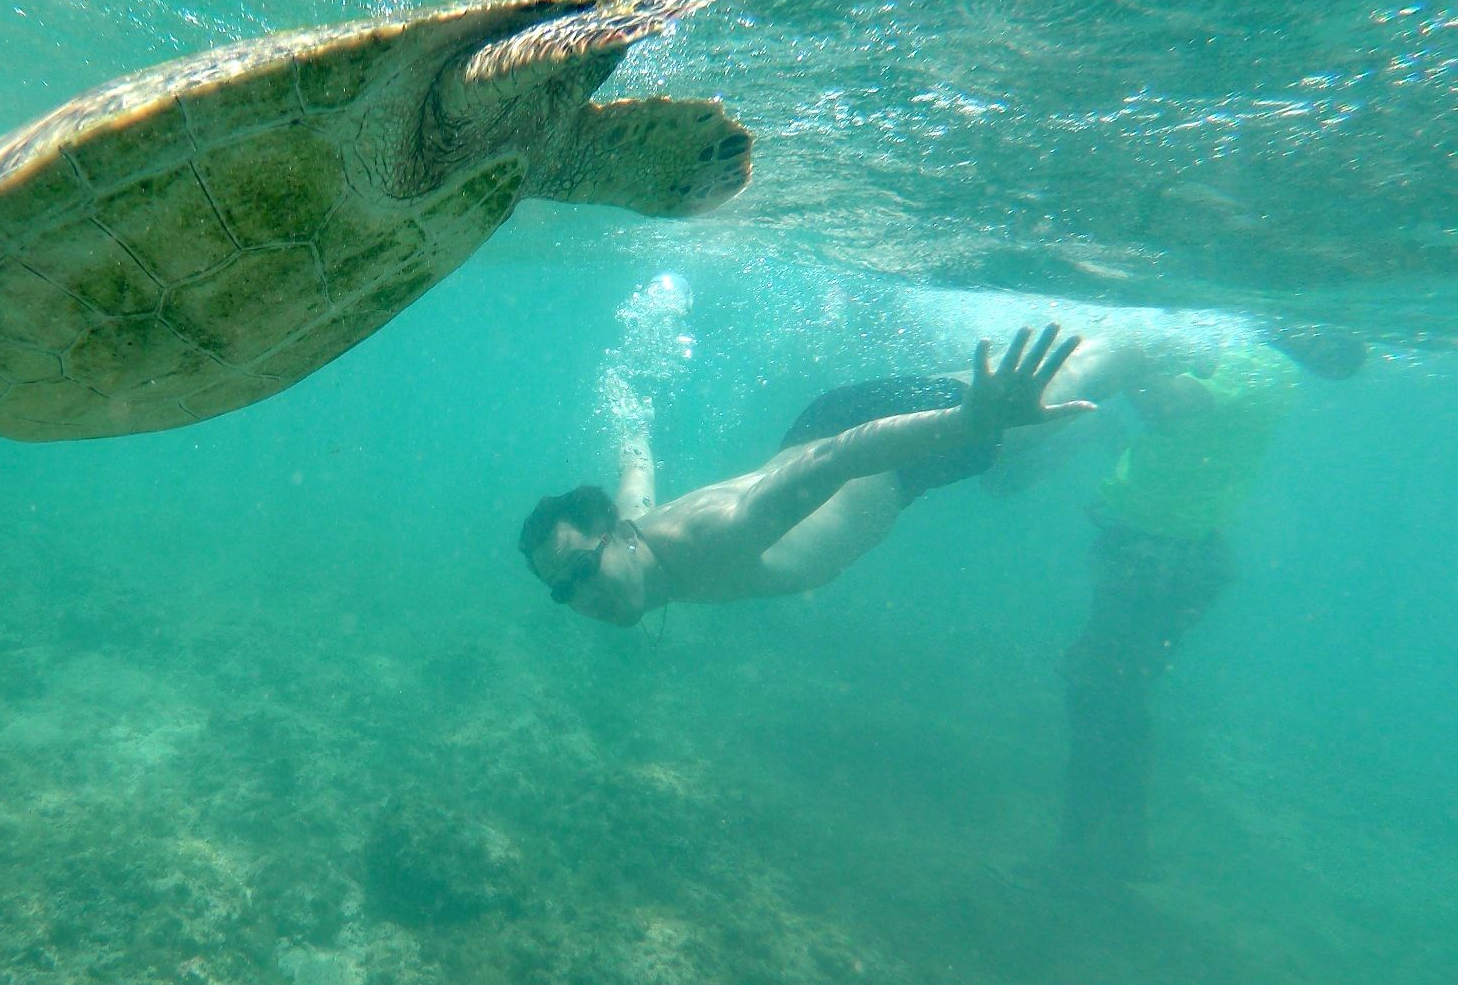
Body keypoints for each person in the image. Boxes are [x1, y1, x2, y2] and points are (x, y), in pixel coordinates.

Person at [1046, 323, 1366, 885]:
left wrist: (1132, 352)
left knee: (1101, 697)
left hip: (1164, 556)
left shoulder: (1258, 362)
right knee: (1110, 697)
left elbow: (1168, 407)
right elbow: (1177, 442)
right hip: (1159, 548)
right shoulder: (1246, 350)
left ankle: (1086, 853)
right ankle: (1114, 850)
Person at [519, 324, 1095, 628]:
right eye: (562, 590)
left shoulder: (711, 539)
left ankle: (1149, 346)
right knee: (1008, 417)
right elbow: (637, 470)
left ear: (613, 537)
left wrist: (968, 422)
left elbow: (838, 459)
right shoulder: (633, 526)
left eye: (579, 572)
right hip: (822, 430)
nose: (581, 598)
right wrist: (631, 417)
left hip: (896, 452)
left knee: (1078, 381)